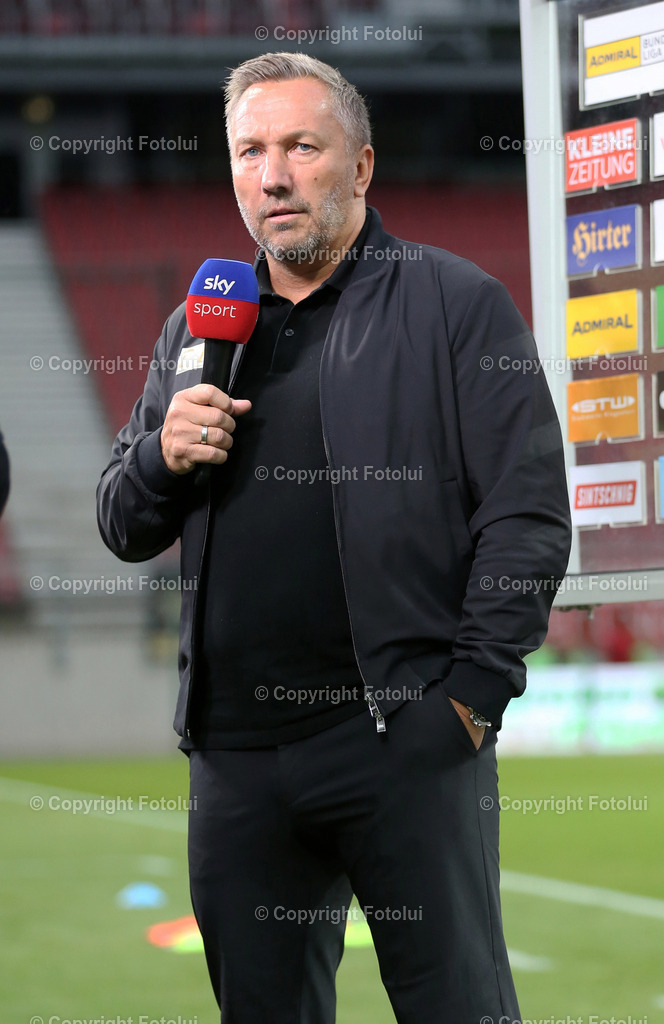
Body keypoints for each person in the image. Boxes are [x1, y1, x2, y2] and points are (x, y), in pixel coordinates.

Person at [97, 52, 571, 1024]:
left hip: (403, 741)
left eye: (300, 147)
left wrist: (471, 700)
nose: (271, 175)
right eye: (249, 151)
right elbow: (121, 519)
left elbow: (524, 515)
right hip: (234, 759)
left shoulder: (454, 304)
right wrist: (159, 455)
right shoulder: (198, 326)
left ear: (358, 166)